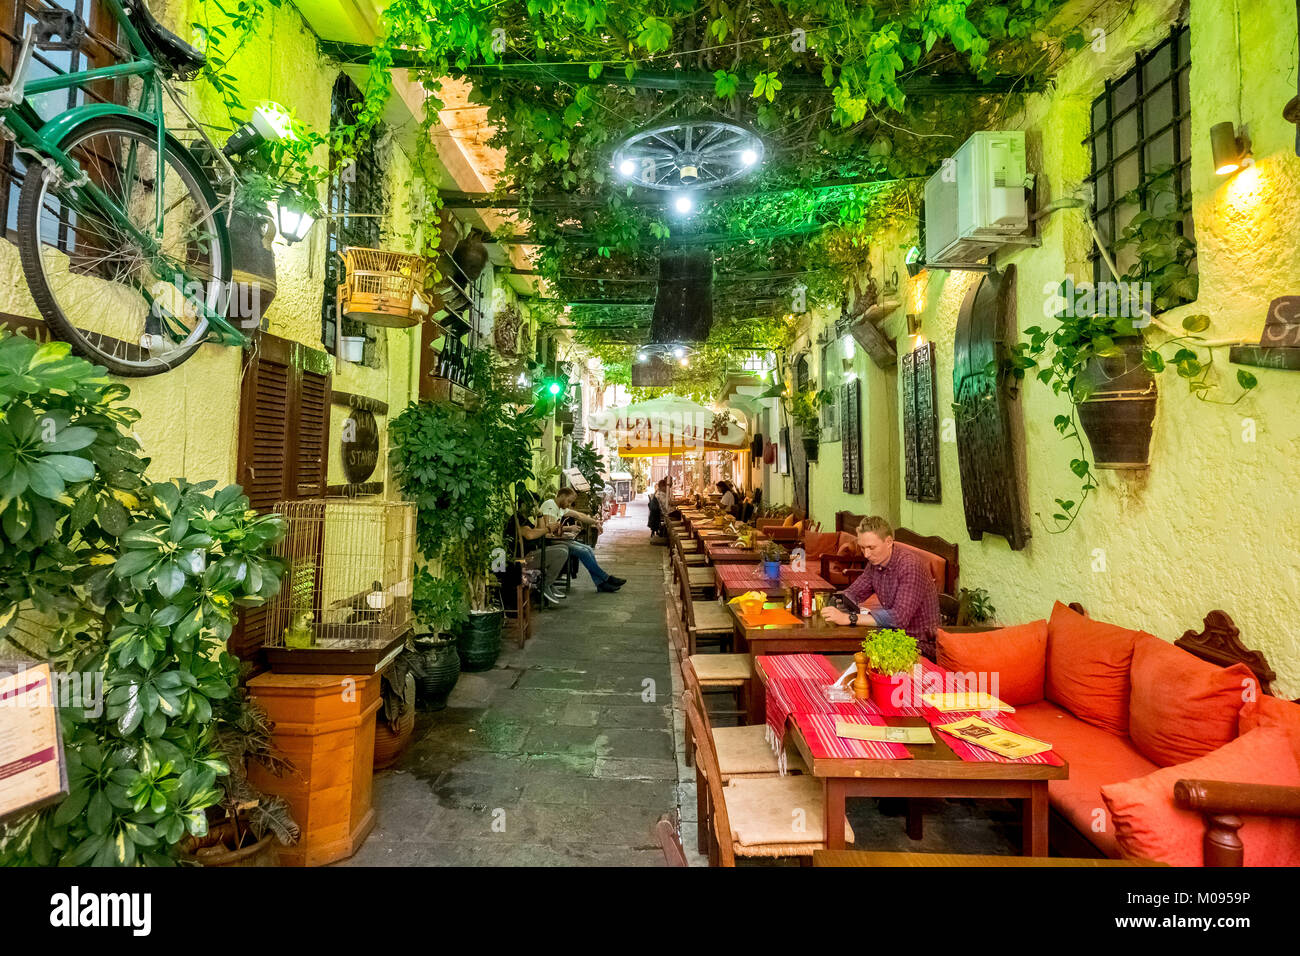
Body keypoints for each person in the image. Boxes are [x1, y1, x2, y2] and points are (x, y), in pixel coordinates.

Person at [818, 515, 941, 659]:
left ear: (888, 542)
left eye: (871, 547)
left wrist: (849, 618)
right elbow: (854, 592)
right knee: (836, 653)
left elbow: (898, 618)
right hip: (892, 637)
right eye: (862, 548)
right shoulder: (876, 563)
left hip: (919, 646)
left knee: (843, 656)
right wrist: (831, 601)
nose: (866, 554)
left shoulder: (909, 566)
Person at [540, 487, 626, 592]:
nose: (569, 504)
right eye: (569, 501)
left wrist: (595, 522)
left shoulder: (560, 508)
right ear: (562, 496)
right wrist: (569, 528)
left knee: (588, 549)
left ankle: (601, 584)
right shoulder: (550, 505)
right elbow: (550, 528)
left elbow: (579, 515)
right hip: (550, 542)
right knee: (583, 552)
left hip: (559, 540)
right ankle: (606, 578)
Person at [511, 506, 571, 607]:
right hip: (523, 559)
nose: (534, 509)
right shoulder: (517, 519)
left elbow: (540, 530)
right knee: (561, 553)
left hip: (531, 552)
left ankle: (548, 583)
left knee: (564, 548)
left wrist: (540, 515)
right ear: (524, 505)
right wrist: (548, 529)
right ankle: (544, 584)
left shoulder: (526, 519)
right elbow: (529, 534)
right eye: (533, 506)